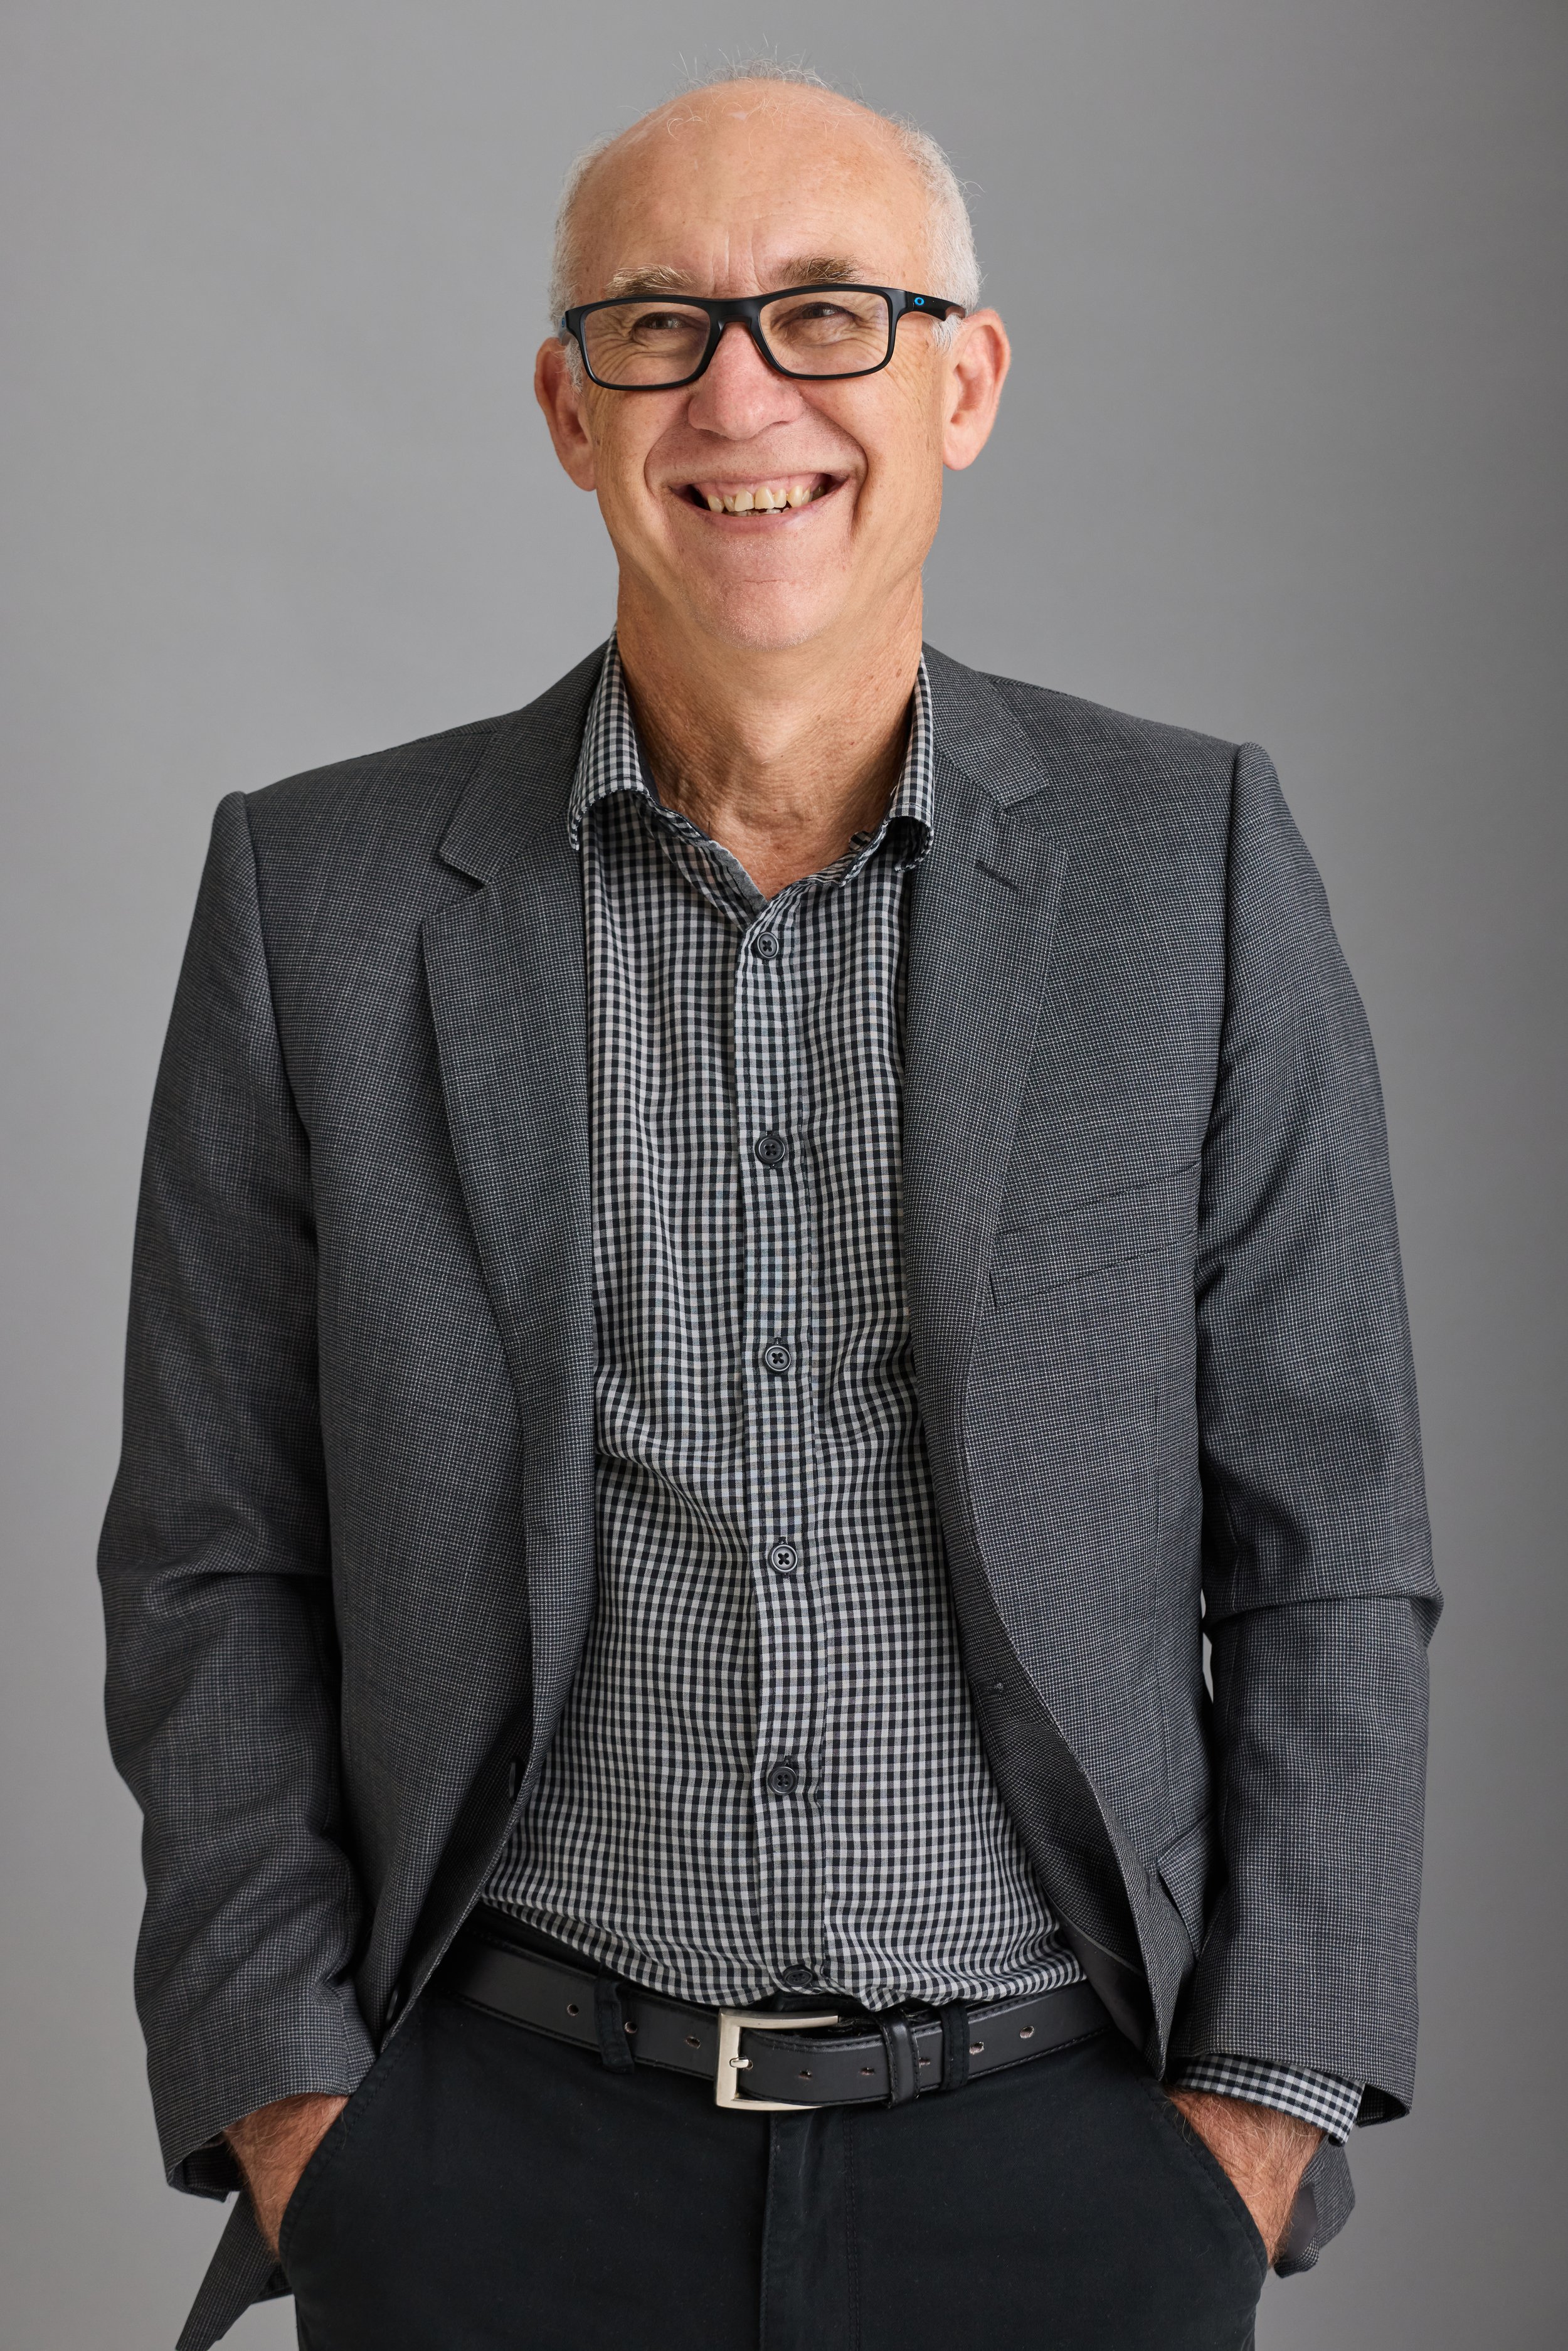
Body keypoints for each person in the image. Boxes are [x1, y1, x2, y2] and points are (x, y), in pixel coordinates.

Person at [100, 63, 1439, 2351]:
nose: (741, 392)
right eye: (657, 323)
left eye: (829, 312)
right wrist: (305, 2120)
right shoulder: (313, 895)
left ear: (965, 380)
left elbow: (1329, 1534)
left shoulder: (1187, 867)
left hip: (1070, 2166)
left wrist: (1253, 2124)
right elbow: (215, 1549)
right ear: (564, 405)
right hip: (488, 2167)